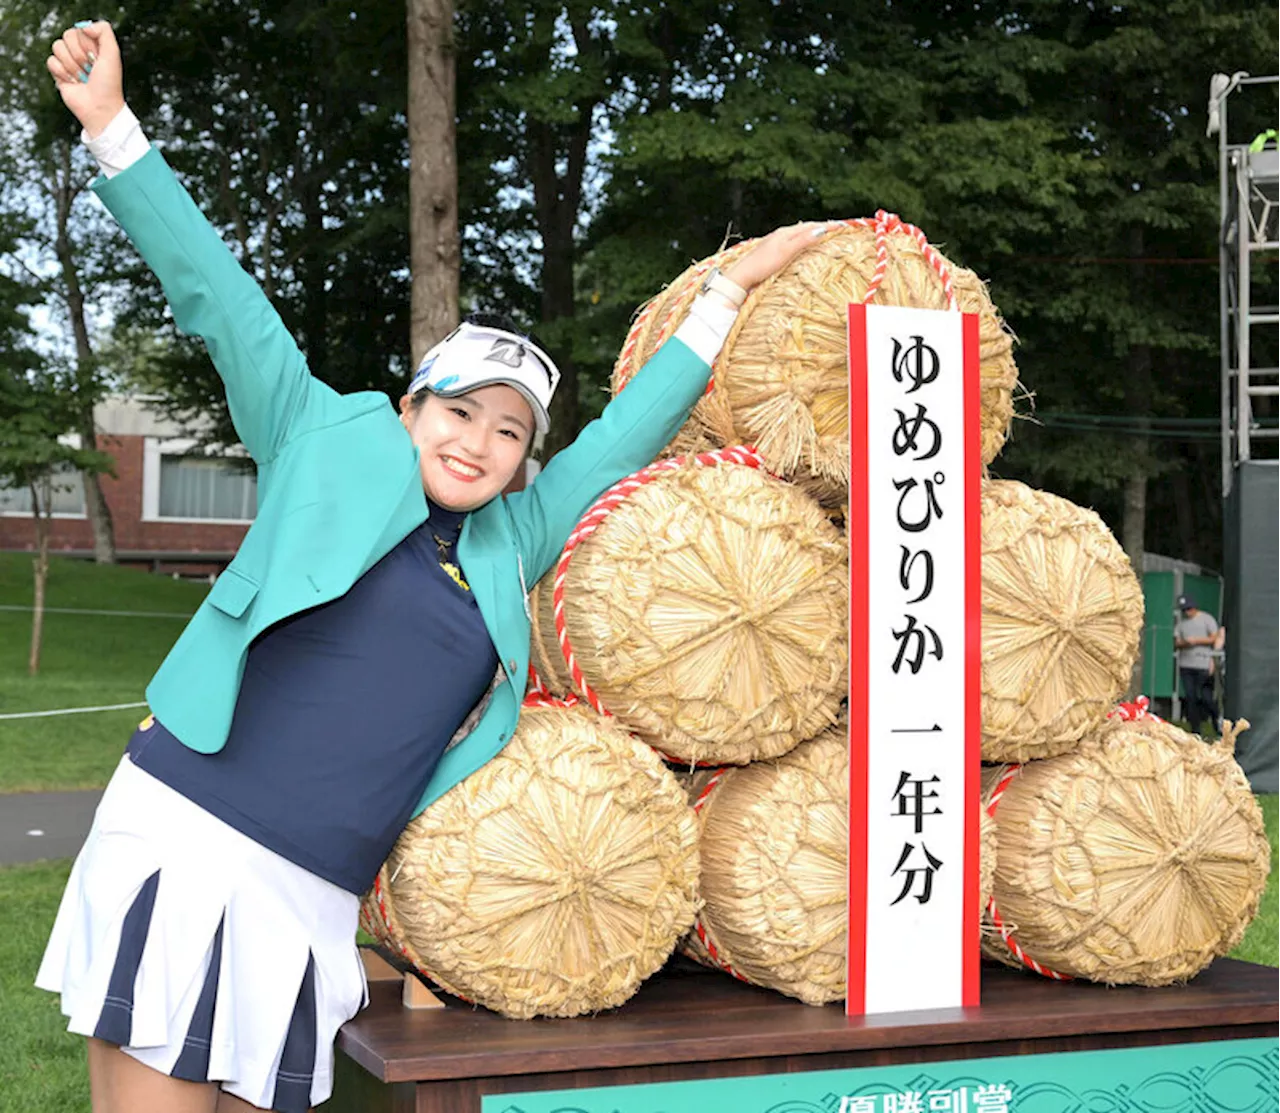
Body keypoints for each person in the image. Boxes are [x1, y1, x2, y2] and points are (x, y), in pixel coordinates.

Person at [37, 21, 835, 1113]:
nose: (477, 441)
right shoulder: (318, 433)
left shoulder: (513, 539)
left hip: (320, 889)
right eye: (457, 411)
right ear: (411, 408)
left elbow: (621, 437)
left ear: (520, 462)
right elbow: (219, 296)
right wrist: (113, 131)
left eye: (507, 432)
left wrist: (728, 292)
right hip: (197, 832)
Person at [1174, 593, 1220, 738]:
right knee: (1190, 697)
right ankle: (1195, 730)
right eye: (1184, 610)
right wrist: (1185, 643)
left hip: (1203, 664)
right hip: (1186, 665)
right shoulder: (1181, 623)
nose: (1187, 612)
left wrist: (1197, 641)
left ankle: (1216, 720)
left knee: (1207, 697)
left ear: (1194, 607)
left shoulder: (1207, 619)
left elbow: (1215, 638)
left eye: (1189, 609)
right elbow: (1176, 642)